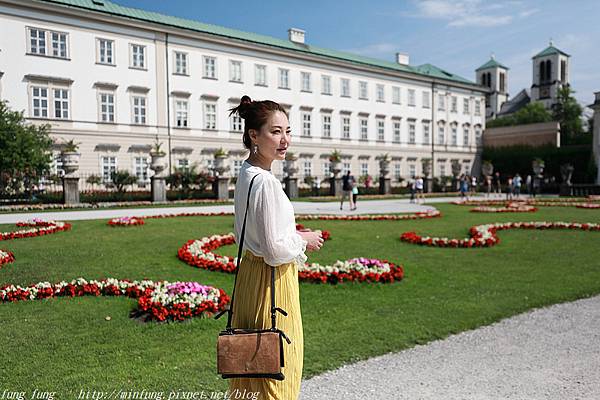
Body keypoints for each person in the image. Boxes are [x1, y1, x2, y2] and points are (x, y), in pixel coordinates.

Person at [228, 95, 324, 400]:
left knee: (252, 365)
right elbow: (274, 250)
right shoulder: (266, 182)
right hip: (272, 281)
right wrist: (304, 240)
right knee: (278, 365)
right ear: (254, 135)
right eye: (275, 132)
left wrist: (290, 232)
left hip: (250, 277)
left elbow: (248, 231)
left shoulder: (247, 172)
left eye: (288, 131)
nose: (285, 140)